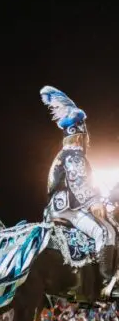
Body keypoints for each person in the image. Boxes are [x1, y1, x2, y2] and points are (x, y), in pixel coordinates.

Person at [41, 85, 118, 297]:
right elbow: (78, 182)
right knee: (106, 231)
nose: (86, 141)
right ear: (78, 136)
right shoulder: (74, 154)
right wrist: (94, 202)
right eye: (85, 137)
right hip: (69, 209)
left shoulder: (61, 155)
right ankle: (108, 282)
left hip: (56, 208)